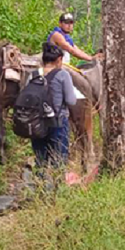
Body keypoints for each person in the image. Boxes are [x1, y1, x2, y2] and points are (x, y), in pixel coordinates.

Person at [32, 42, 77, 171]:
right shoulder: (63, 75)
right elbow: (71, 100)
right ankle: (57, 189)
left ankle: (40, 188)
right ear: (59, 60)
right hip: (58, 122)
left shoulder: (33, 74)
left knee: (40, 160)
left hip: (37, 124)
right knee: (59, 161)